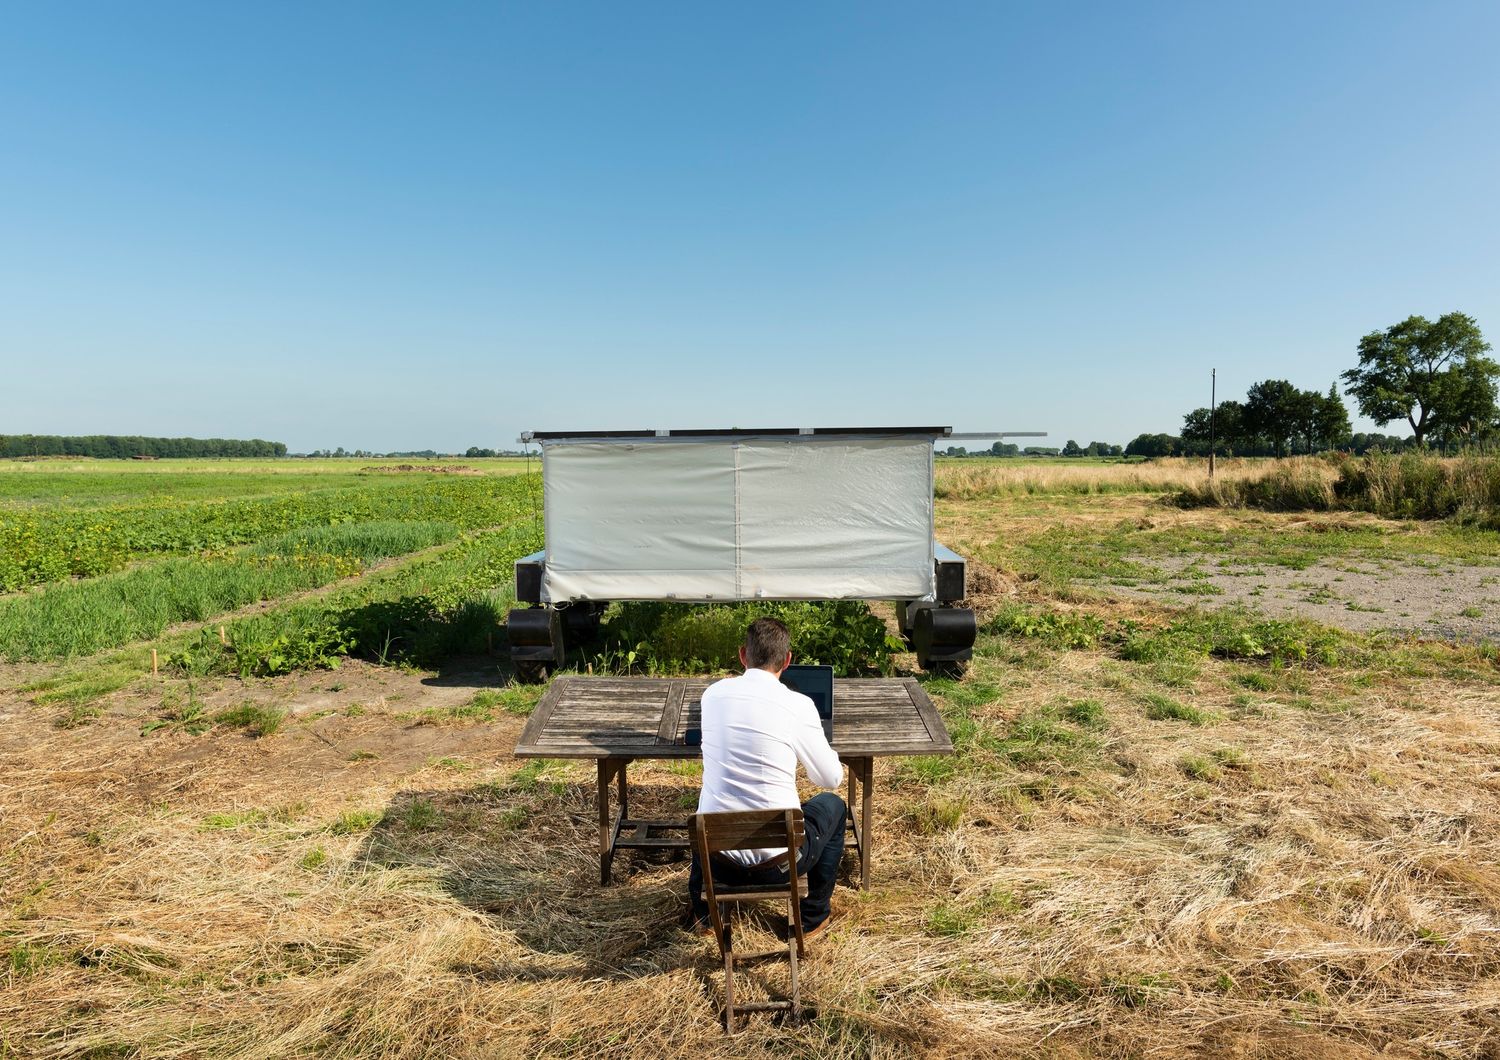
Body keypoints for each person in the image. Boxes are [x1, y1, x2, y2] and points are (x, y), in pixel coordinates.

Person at [686, 617, 847, 940]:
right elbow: (829, 778)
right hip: (778, 864)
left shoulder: (712, 695)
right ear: (787, 660)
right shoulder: (799, 705)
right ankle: (812, 916)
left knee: (710, 803)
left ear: (743, 655)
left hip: (717, 860)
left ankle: (703, 914)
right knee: (833, 806)